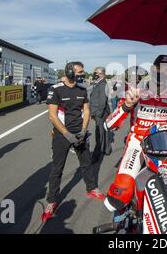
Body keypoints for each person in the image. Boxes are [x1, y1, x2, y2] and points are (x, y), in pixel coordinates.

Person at [103, 54, 167, 213]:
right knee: (121, 192)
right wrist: (127, 106)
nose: (163, 72)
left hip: (162, 146)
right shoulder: (136, 91)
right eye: (160, 68)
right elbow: (108, 125)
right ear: (153, 69)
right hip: (137, 144)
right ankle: (122, 220)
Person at [42, 61, 103, 223]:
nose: (82, 74)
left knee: (86, 163)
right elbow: (52, 115)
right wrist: (67, 134)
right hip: (62, 135)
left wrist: (83, 130)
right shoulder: (55, 89)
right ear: (70, 72)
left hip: (80, 133)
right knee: (57, 168)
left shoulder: (82, 89)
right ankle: (52, 201)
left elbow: (87, 110)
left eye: (82, 72)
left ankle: (92, 188)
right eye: (79, 72)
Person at [89, 67, 111, 188]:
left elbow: (103, 101)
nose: (94, 74)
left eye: (96, 73)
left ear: (101, 74)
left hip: (100, 113)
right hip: (100, 112)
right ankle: (107, 149)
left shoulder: (102, 84)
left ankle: (96, 155)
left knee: (99, 134)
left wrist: (97, 114)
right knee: (105, 132)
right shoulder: (99, 83)